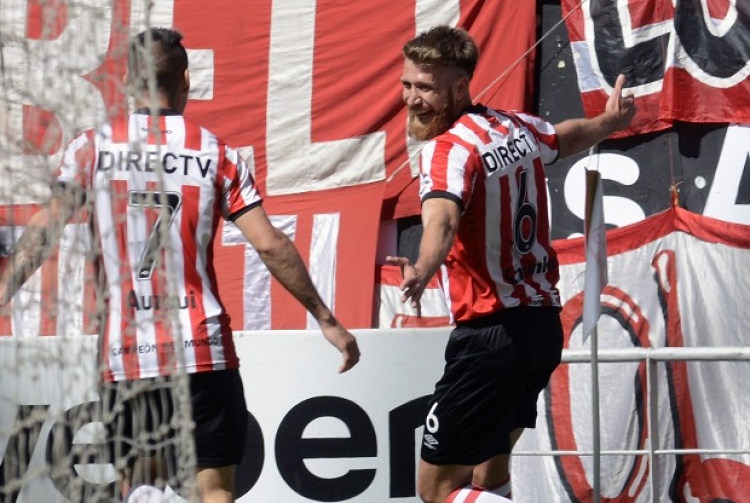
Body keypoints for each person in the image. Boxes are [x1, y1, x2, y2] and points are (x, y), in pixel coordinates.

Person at [0, 27, 360, 503]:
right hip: (201, 349)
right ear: (186, 79)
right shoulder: (217, 153)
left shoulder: (90, 149)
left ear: (128, 82)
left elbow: (43, 231)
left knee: (141, 485)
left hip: (128, 353)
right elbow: (271, 245)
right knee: (215, 491)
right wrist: (326, 319)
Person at [387, 25, 635, 503]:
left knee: (436, 490)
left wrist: (423, 265)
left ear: (461, 87)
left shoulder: (447, 150)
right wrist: (609, 122)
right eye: (407, 84)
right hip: (539, 332)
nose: (412, 100)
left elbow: (442, 220)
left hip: (490, 338)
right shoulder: (514, 127)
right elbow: (564, 137)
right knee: (488, 473)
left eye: (426, 88)